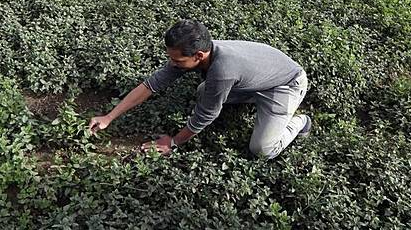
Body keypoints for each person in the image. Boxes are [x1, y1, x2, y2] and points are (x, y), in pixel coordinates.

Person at [88, 19, 311, 159]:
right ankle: (252, 96)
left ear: (198, 56)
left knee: (262, 150)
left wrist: (173, 142)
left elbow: (205, 116)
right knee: (204, 92)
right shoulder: (199, 51)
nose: (172, 64)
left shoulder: (223, 71)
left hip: (286, 84)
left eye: (177, 60)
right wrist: (109, 117)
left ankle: (300, 122)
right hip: (258, 76)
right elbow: (152, 84)